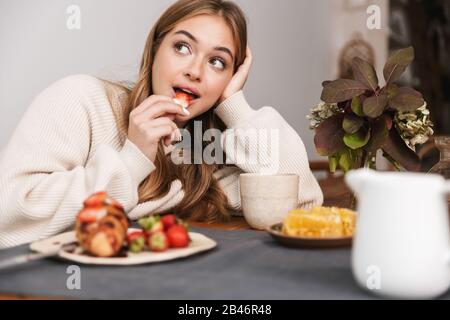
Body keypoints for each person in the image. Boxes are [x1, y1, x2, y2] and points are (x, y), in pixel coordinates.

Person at [0, 0, 323, 248]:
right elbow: (10, 219)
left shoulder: (201, 148)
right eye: (182, 47)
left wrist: (233, 104)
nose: (195, 71)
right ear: (155, 51)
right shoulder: (82, 99)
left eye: (217, 62)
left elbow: (300, 205)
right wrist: (134, 157)